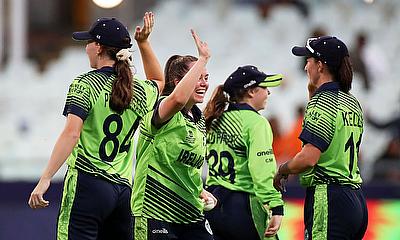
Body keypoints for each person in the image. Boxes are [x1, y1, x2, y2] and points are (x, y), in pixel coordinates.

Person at [28, 12, 164, 240]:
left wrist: (46, 178)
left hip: (88, 184)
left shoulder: (85, 83)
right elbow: (160, 81)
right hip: (122, 190)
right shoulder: (138, 90)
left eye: (89, 42)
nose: (86, 48)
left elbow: (72, 133)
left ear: (99, 47)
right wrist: (144, 42)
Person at [273, 36, 368, 240]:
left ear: (320, 65)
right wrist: (312, 94)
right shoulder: (352, 102)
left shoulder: (322, 103)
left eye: (308, 60)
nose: (306, 66)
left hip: (329, 199)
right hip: (355, 199)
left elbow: (308, 158)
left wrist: (282, 170)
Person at [131, 29, 214, 240]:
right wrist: (202, 59)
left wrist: (200, 191)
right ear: (179, 82)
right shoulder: (162, 109)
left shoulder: (199, 120)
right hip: (155, 212)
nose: (204, 83)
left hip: (190, 213)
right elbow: (177, 100)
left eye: (206, 77)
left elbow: (188, 168)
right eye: (197, 76)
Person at [203, 65, 284, 240]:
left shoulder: (215, 119)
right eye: (265, 88)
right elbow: (261, 171)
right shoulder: (256, 123)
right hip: (244, 206)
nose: (268, 93)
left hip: (213, 204)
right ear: (251, 92)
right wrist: (276, 206)